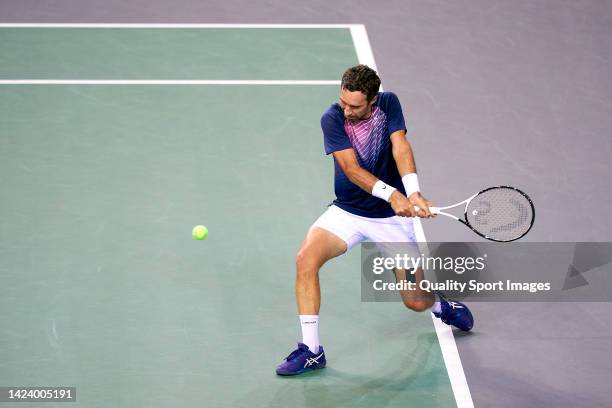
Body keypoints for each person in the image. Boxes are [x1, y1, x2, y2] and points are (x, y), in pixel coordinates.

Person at [275, 65, 473, 376]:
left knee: (415, 301)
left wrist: (414, 193)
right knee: (305, 259)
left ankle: (439, 305)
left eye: (355, 106)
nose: (347, 110)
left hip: (390, 221)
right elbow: (351, 170)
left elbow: (400, 146)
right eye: (344, 102)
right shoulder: (332, 117)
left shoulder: (389, 104)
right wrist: (394, 195)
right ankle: (311, 350)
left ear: (373, 100)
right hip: (347, 211)